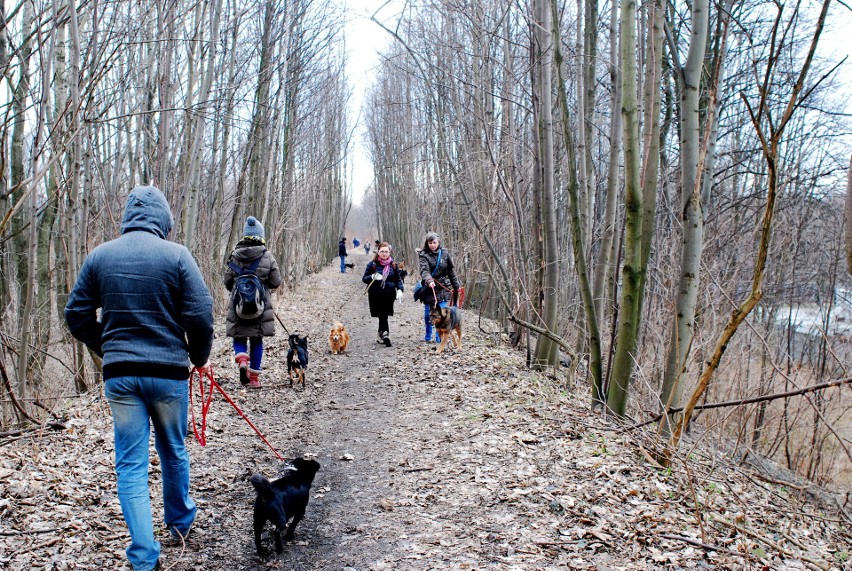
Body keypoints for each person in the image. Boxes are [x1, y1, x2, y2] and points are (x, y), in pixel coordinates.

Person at [65, 186, 214, 571]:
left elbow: (76, 314)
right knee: (173, 450)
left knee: (130, 464)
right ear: (163, 218)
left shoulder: (100, 256)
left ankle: (144, 556)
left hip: (121, 378)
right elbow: (200, 313)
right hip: (167, 375)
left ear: (128, 215)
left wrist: (109, 346)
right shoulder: (177, 256)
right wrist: (198, 357)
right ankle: (180, 524)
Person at [224, 216, 282, 389]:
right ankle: (254, 380)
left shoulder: (234, 255)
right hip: (260, 306)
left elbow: (227, 282)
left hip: (238, 305)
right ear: (261, 235)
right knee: (256, 340)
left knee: (239, 335)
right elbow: (276, 281)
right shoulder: (267, 256)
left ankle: (242, 359)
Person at [418, 231, 461, 343]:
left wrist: (456, 286)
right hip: (429, 289)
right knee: (429, 314)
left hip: (443, 288)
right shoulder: (423, 255)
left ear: (438, 242)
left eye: (434, 242)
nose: (432, 245)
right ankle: (428, 334)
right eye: (430, 243)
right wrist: (429, 280)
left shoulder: (445, 253)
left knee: (442, 313)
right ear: (427, 243)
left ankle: (439, 337)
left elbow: (451, 271)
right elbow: (424, 271)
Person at [362, 242, 405, 347]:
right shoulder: (372, 264)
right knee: (382, 315)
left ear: (389, 252)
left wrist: (400, 290)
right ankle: (384, 333)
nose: (384, 254)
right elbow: (364, 279)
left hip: (389, 294)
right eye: (382, 251)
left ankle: (382, 334)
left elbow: (398, 280)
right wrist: (372, 276)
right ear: (378, 252)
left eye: (386, 252)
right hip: (375, 294)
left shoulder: (393, 265)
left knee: (384, 315)